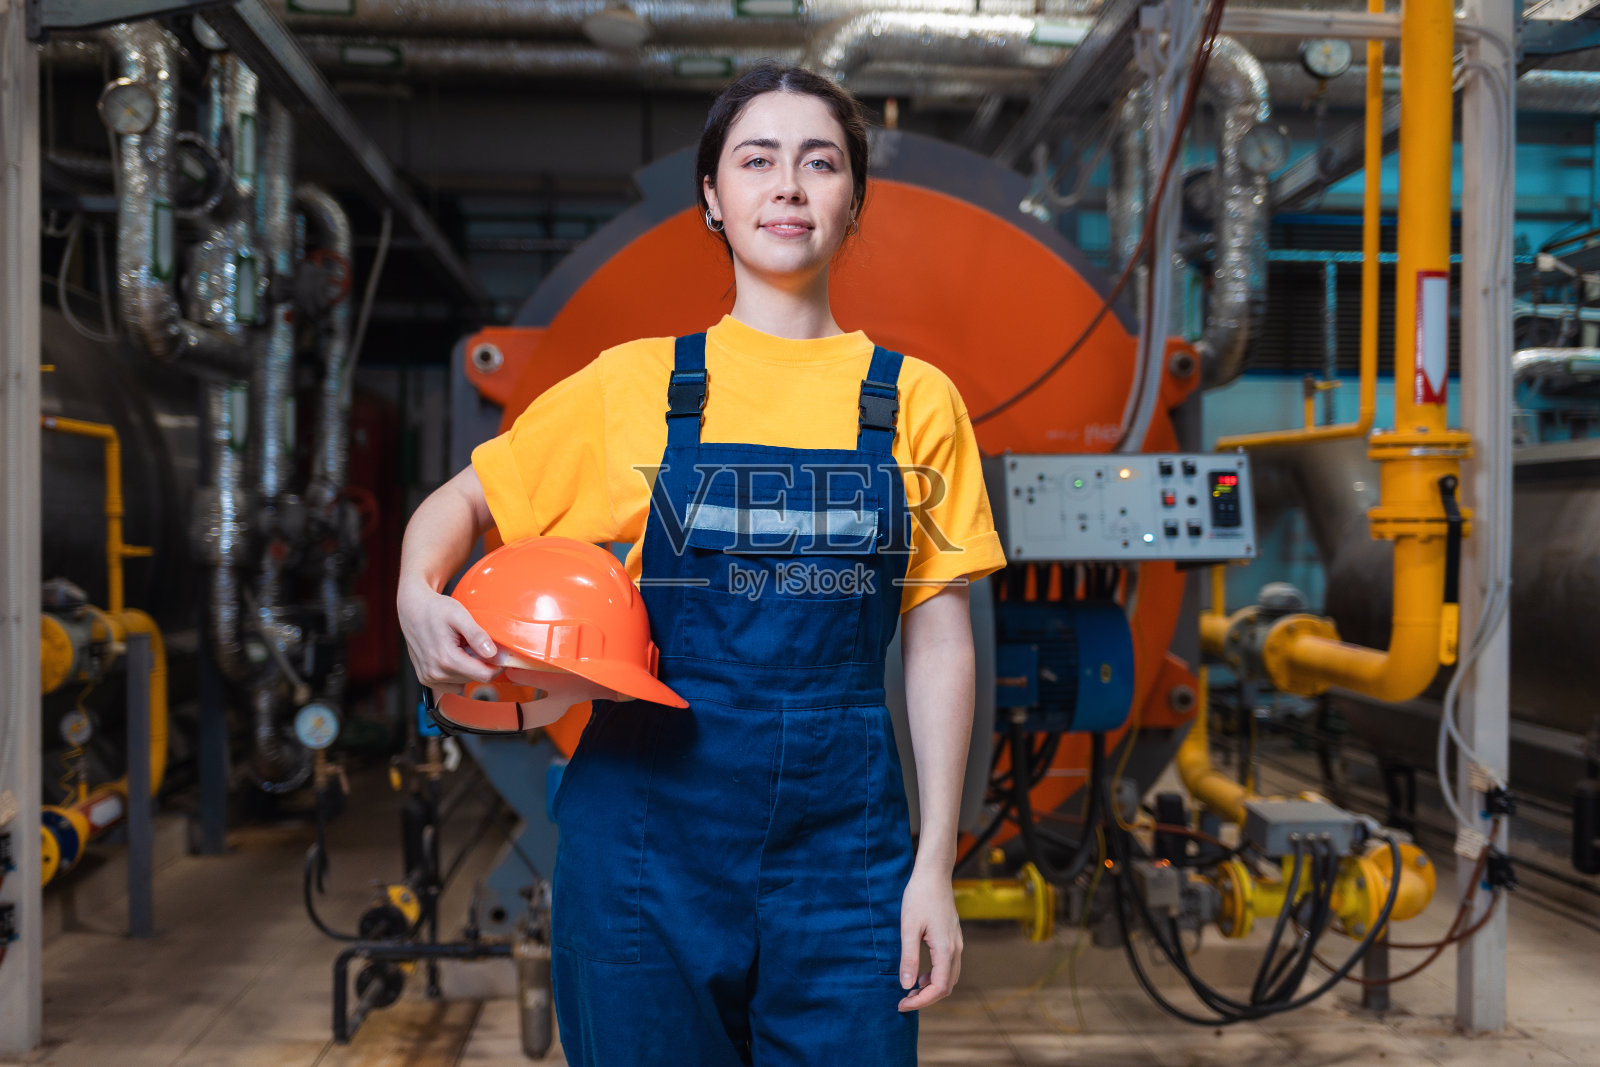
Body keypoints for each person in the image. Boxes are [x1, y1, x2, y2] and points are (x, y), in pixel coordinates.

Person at [397, 63, 1007, 1066]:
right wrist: (416, 596)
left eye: (820, 162)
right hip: (647, 844)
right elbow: (458, 504)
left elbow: (940, 636)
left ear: (853, 199)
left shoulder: (915, 401)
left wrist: (931, 863)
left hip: (844, 855)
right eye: (755, 160)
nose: (788, 185)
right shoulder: (639, 385)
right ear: (712, 199)